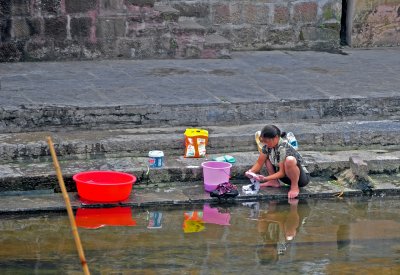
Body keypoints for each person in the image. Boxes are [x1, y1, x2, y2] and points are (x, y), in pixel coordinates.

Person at [246, 125, 310, 198]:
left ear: (276, 137)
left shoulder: (284, 147)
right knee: (265, 157)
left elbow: (282, 173)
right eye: (264, 142)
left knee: (290, 160)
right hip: (285, 177)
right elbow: (259, 163)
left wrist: (265, 178)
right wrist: (250, 172)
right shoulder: (267, 147)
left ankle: (294, 186)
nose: (266, 144)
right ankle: (273, 181)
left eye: (267, 141)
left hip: (300, 179)